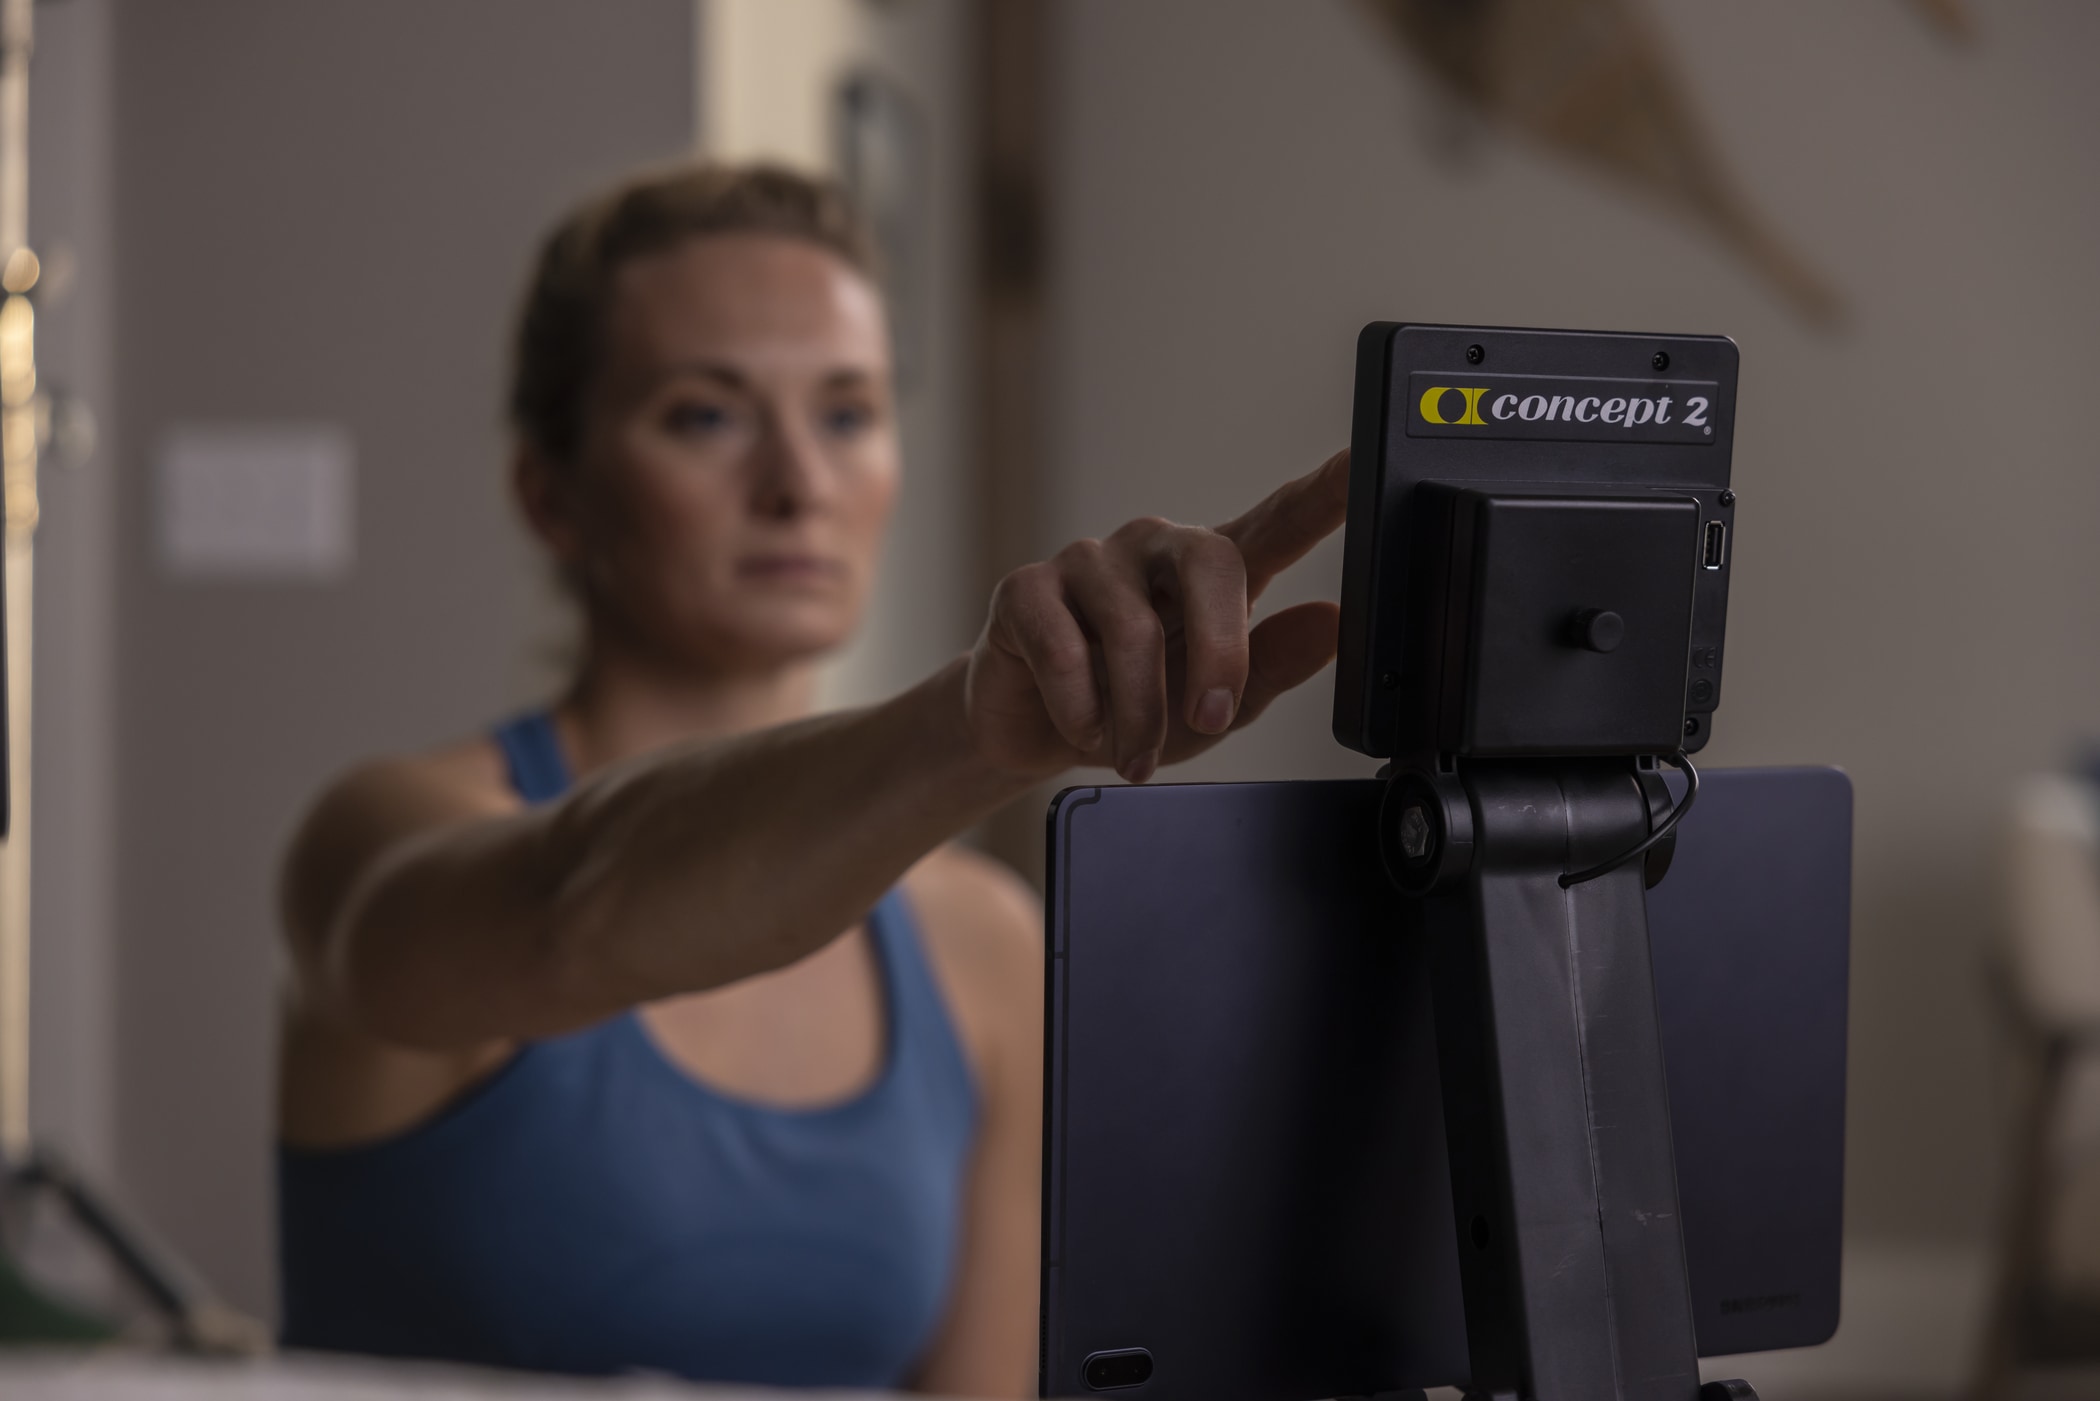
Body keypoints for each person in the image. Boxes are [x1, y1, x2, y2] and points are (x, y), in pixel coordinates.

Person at [274, 162, 1347, 1396]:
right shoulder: (378, 837)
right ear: (550, 494)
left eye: (847, 413)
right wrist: (965, 732)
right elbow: (576, 912)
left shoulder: (983, 947)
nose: (797, 484)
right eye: (705, 415)